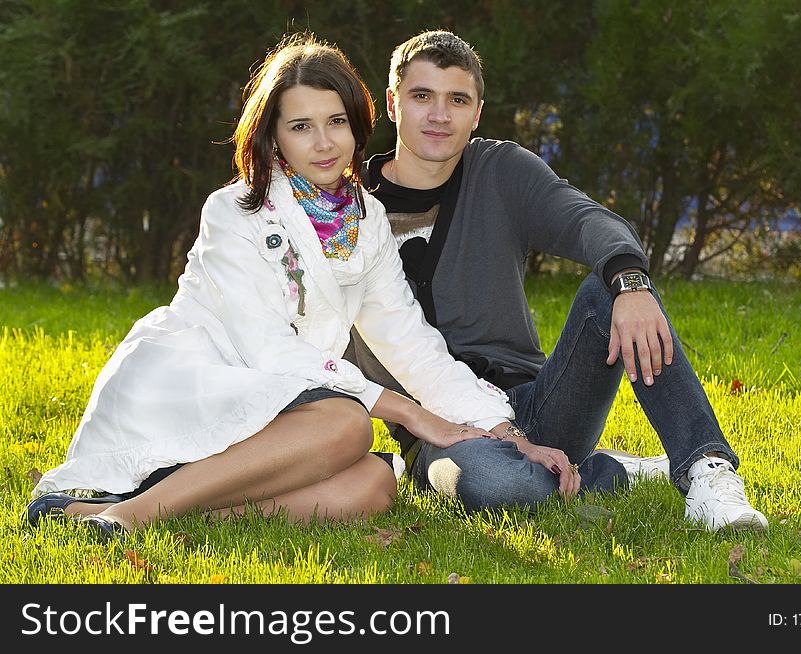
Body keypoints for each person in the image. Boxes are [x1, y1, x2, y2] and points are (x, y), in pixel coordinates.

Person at [25, 33, 521, 541]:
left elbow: (409, 341)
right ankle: (130, 516)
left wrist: (501, 428)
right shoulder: (233, 210)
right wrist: (403, 411)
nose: (324, 143)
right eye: (301, 127)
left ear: (356, 124)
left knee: (373, 484)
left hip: (287, 408)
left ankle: (150, 508)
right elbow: (266, 347)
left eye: (336, 123)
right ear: (273, 136)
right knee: (348, 424)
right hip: (203, 385)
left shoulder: (365, 218)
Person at [344, 29, 769, 531]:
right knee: (503, 488)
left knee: (610, 295)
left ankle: (706, 471)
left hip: (537, 401)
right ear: (393, 103)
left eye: (457, 99)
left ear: (477, 112)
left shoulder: (498, 171)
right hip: (441, 431)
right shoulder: (344, 209)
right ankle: (608, 471)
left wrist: (631, 283)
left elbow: (587, 220)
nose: (439, 115)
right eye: (422, 97)